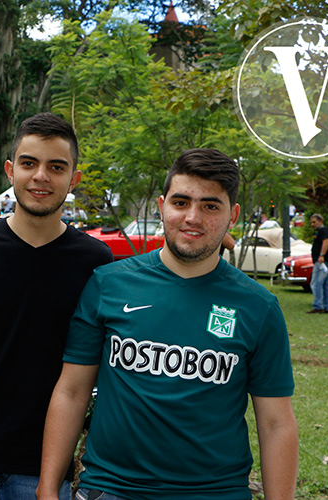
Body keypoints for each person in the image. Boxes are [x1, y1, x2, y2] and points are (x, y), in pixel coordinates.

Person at [37, 148, 298, 500]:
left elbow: (276, 422)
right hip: (113, 489)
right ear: (162, 205)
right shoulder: (108, 284)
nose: (192, 217)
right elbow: (72, 391)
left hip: (214, 493)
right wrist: (48, 487)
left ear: (232, 215)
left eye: (210, 205)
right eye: (181, 202)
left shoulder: (258, 306)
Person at [0, 112, 113, 500]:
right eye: (29, 163)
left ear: (73, 178)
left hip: (44, 467)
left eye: (56, 167)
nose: (40, 176)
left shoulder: (94, 261)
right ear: (11, 171)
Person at [309, 213, 328, 314]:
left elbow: (326, 242)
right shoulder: (322, 232)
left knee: (316, 284)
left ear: (320, 221)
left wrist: (321, 255)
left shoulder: (323, 231)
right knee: (325, 284)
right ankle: (327, 307)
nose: (312, 224)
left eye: (314, 222)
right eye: (311, 222)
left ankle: (318, 306)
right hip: (327, 261)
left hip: (323, 262)